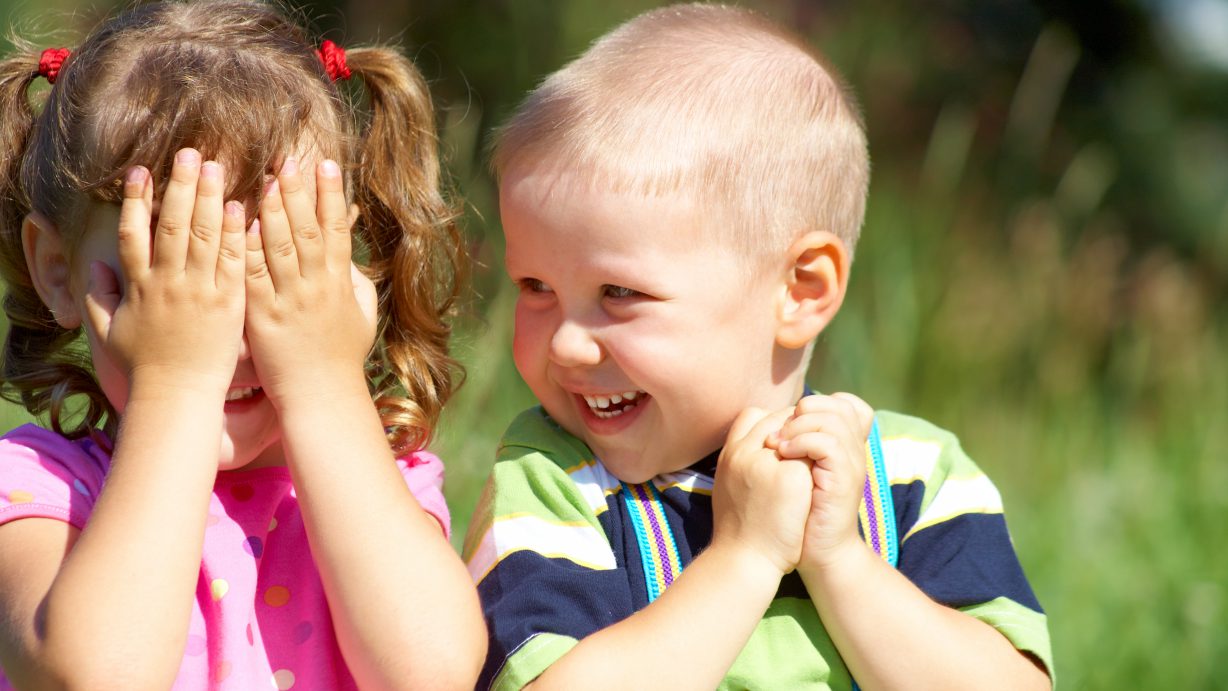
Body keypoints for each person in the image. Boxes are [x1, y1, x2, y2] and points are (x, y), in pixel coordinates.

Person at [462, 4, 1053, 689]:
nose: (565, 342)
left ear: (801, 289)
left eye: (620, 293)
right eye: (534, 285)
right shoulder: (552, 481)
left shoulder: (912, 477)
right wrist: (743, 557)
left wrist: (839, 559)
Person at [0, 1, 485, 688]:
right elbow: (98, 675)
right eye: (174, 278)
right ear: (59, 271)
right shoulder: (39, 487)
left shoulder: (375, 484)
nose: (218, 338)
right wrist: (174, 385)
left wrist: (322, 383)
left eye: (276, 272)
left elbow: (432, 671)